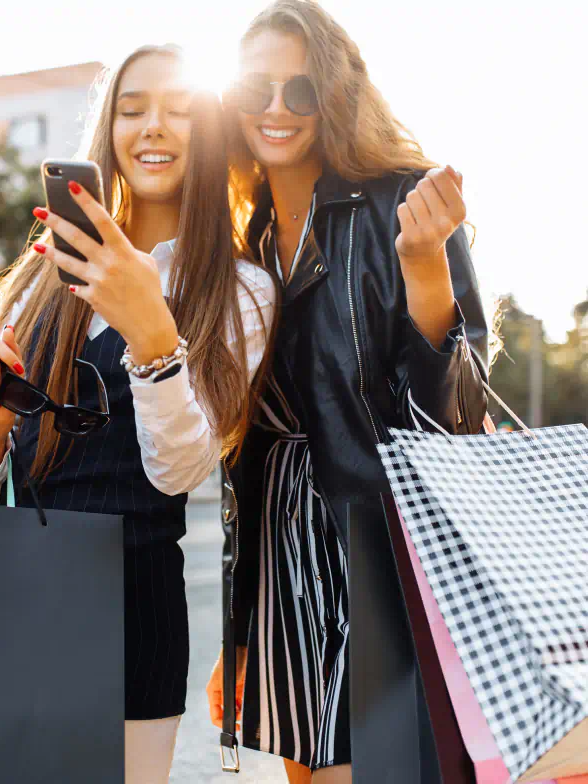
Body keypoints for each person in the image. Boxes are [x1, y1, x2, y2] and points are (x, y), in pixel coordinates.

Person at [0, 43, 275, 784]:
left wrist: (152, 334)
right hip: (14, 588)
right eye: (133, 110)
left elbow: (184, 469)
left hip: (134, 605)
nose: (154, 127)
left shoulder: (241, 289)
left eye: (181, 111)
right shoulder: (41, 272)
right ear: (108, 131)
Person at [206, 2, 489, 782]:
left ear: (334, 94)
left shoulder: (405, 200)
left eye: (300, 90)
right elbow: (243, 447)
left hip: (378, 540)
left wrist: (426, 267)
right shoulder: (245, 238)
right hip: (279, 553)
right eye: (256, 88)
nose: (276, 108)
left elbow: (455, 419)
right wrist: (237, 634)